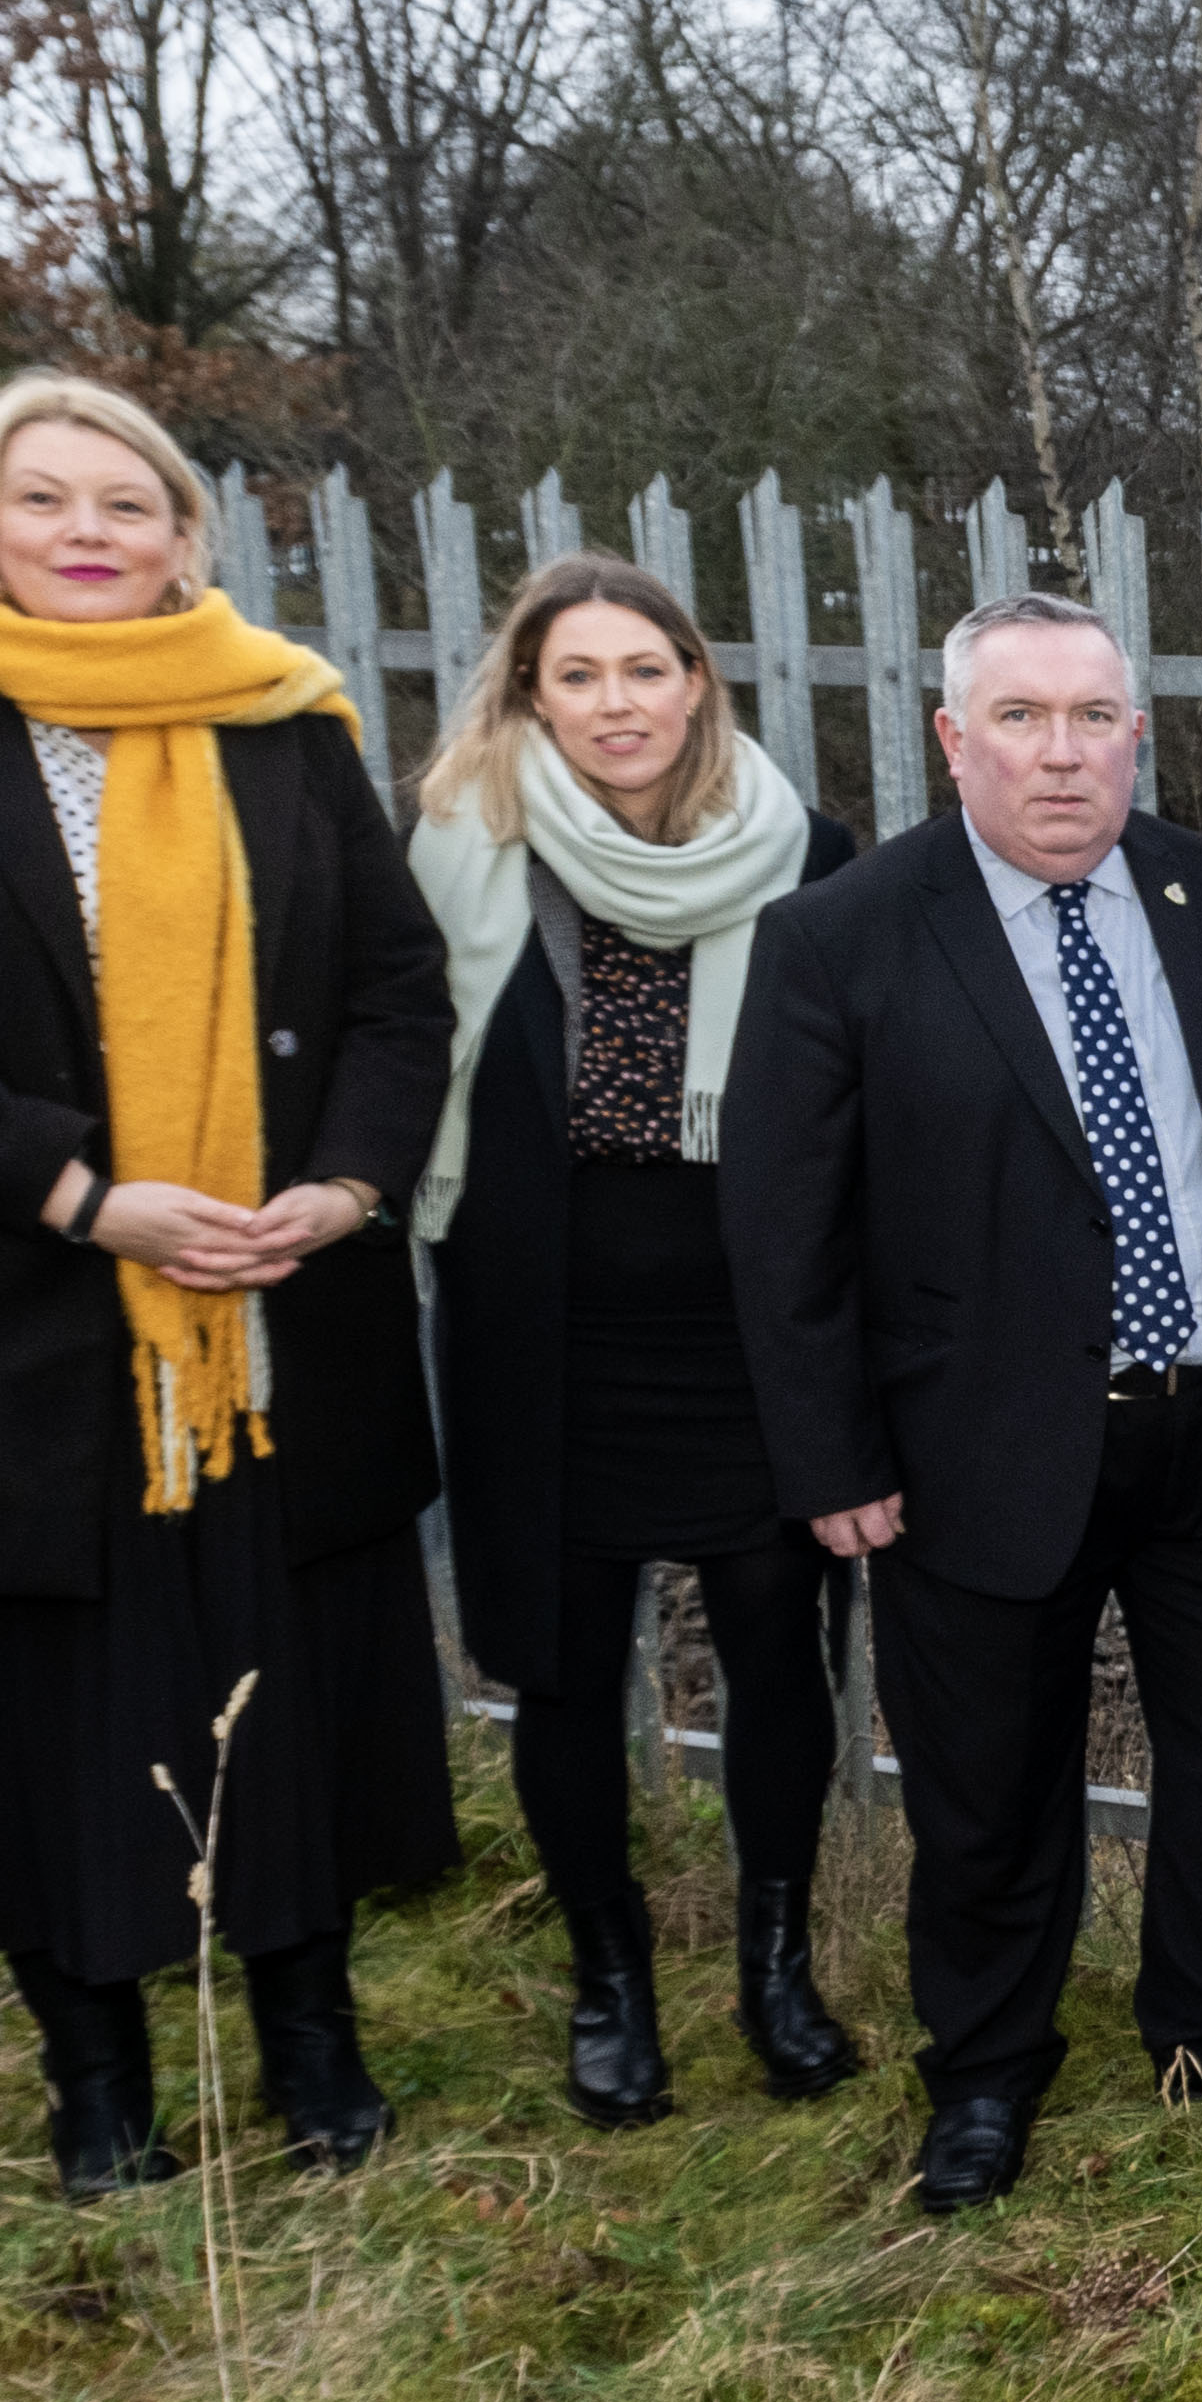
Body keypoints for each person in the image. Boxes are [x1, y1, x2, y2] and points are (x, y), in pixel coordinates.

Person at [0, 369, 458, 2193]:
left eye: (125, 504)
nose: (85, 532)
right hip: (12, 1322)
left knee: (276, 1682)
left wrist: (341, 1186)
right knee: (46, 1712)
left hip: (267, 1308)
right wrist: (87, 1197)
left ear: (184, 536)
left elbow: (397, 993)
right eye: (44, 501)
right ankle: (97, 2089)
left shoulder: (287, 728)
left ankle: (316, 2048)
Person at [720, 593, 1202, 2213]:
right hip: (981, 1444)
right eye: (1019, 717)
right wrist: (828, 1453)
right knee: (990, 1785)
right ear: (953, 739)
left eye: (1092, 715)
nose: (1059, 751)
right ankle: (983, 2073)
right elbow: (781, 1223)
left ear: (1136, 734)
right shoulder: (844, 934)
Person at [407, 555, 868, 2128]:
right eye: (579, 674)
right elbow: (406, 1055)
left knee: (773, 1653)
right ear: (530, 692)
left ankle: (777, 1965)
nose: (619, 703)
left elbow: (857, 1101)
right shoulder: (468, 848)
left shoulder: (806, 851)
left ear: (698, 681)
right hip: (541, 1327)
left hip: (751, 1330)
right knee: (561, 1667)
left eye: (646, 669)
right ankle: (611, 1985)